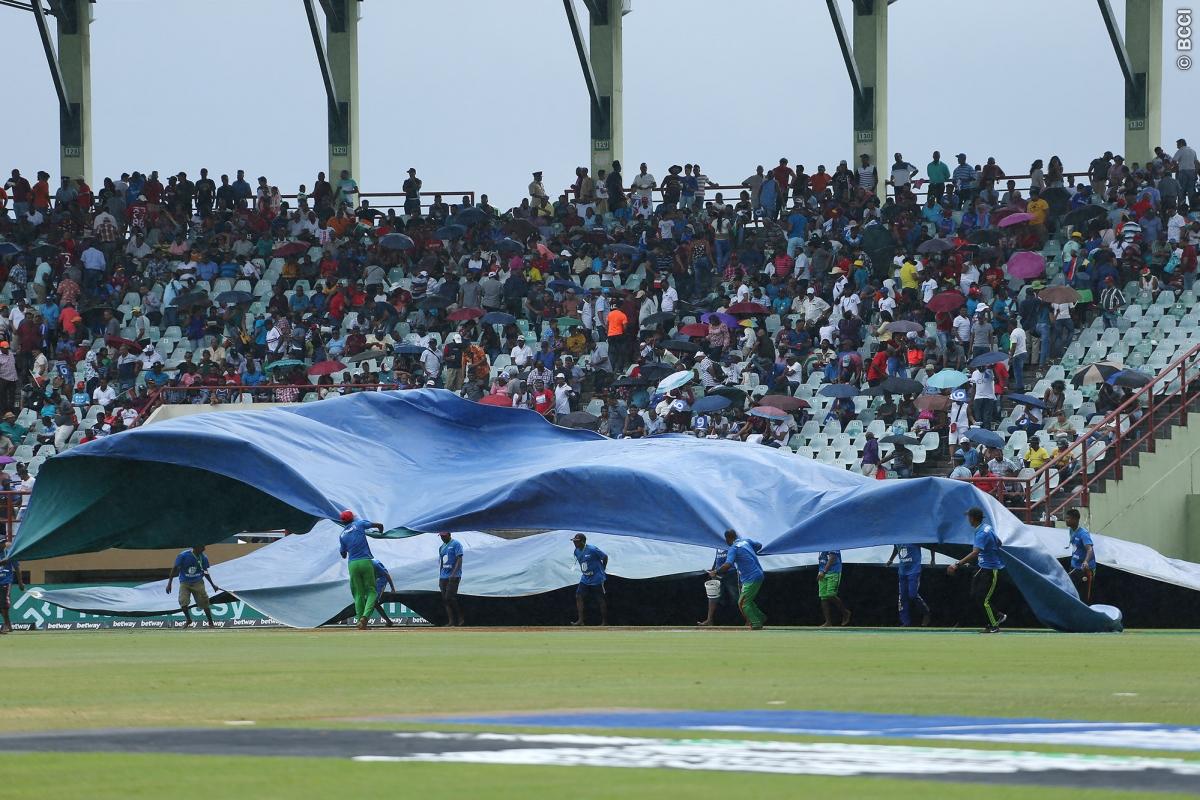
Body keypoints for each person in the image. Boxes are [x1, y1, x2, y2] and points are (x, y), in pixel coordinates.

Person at [947, 507, 1008, 633]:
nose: (968, 519)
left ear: (973, 519)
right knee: (976, 596)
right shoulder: (986, 528)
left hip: (990, 569)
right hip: (983, 567)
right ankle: (995, 618)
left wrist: (957, 564)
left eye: (969, 517)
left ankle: (995, 625)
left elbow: (975, 552)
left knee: (984, 600)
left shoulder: (981, 534)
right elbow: (999, 542)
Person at [709, 529, 766, 630]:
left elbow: (727, 565)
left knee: (742, 603)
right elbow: (759, 545)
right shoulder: (746, 541)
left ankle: (756, 623)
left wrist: (716, 572)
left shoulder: (733, 548)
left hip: (751, 577)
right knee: (748, 600)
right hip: (758, 574)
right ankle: (761, 618)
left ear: (727, 539)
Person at [338, 509, 385, 630]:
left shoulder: (342, 535)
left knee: (358, 594)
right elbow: (379, 525)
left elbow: (343, 554)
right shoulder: (359, 524)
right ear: (353, 518)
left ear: (342, 522)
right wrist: (381, 532)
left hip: (352, 564)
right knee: (371, 591)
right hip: (365, 561)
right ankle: (365, 617)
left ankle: (360, 622)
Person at [165, 545, 221, 628]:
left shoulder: (204, 558)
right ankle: (189, 620)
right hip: (185, 582)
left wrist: (213, 585)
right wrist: (169, 583)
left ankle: (210, 623)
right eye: (202, 547)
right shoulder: (183, 556)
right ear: (195, 547)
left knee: (204, 602)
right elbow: (174, 568)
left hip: (198, 582)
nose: (204, 548)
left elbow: (205, 572)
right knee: (183, 601)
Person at [886, 544, 931, 627]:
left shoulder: (915, 538)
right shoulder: (898, 538)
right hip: (902, 570)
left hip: (914, 570)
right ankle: (905, 622)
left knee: (912, 595)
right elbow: (896, 548)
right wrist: (891, 559)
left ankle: (926, 612)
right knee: (902, 597)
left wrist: (933, 559)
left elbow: (931, 544)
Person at [697, 540, 739, 626]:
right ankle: (709, 620)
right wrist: (713, 571)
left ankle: (748, 620)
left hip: (731, 573)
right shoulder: (718, 544)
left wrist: (716, 571)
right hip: (718, 574)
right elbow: (717, 560)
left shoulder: (732, 545)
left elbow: (729, 563)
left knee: (737, 597)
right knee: (713, 597)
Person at [571, 533, 608, 626]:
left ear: (583, 542)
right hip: (585, 577)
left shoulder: (592, 549)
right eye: (574, 541)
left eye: (577, 541)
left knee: (600, 599)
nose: (575, 543)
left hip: (596, 578)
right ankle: (581, 620)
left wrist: (603, 569)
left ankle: (604, 622)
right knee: (578, 596)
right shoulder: (576, 551)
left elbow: (605, 557)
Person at [1065, 508, 1097, 604]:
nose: (1066, 520)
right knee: (1072, 593)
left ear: (1075, 520)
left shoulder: (1083, 534)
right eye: (1066, 518)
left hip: (1084, 570)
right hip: (1074, 567)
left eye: (1068, 518)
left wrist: (1086, 561)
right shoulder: (1071, 530)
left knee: (1083, 597)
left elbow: (1089, 549)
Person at [816, 549, 852, 627]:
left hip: (833, 572)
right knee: (823, 597)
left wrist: (824, 571)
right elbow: (822, 559)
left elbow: (833, 558)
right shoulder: (820, 545)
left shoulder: (833, 543)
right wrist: (820, 571)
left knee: (830, 594)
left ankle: (845, 612)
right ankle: (828, 622)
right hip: (822, 572)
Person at [438, 530, 465, 627]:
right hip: (443, 576)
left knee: (449, 597)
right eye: (441, 536)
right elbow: (441, 562)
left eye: (444, 536)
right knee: (445, 599)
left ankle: (460, 618)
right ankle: (451, 621)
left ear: (449, 535)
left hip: (454, 575)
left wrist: (453, 574)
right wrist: (440, 576)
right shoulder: (441, 547)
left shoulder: (456, 544)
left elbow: (459, 559)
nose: (442, 538)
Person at [0, 545, 25, 633]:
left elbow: (17, 568)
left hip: (6, 582)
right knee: (1, 606)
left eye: (3, 542)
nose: (3, 545)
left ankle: (6, 625)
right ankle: (9, 625)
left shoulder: (10, 554)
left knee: (4, 604)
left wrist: (20, 583)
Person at [371, 559, 397, 627]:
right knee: (373, 602)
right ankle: (388, 621)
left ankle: (388, 621)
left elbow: (387, 575)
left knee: (374, 602)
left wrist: (392, 588)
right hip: (374, 578)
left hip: (382, 578)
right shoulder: (363, 565)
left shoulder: (375, 565)